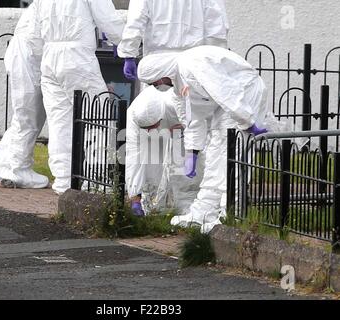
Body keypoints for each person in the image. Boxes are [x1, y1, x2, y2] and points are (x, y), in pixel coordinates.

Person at [138, 45, 279, 233]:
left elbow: (224, 90)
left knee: (233, 154)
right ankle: (203, 210)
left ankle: (230, 212)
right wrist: (192, 152)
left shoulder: (192, 64)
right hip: (228, 103)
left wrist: (246, 121)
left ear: (160, 73)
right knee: (215, 153)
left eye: (155, 82)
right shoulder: (179, 85)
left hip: (244, 92)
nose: (156, 86)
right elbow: (191, 120)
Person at [118, 0, 229, 213]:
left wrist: (128, 53)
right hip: (195, 64)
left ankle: (153, 199)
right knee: (192, 132)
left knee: (151, 138)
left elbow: (136, 20)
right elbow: (217, 27)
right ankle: (189, 198)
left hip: (159, 65)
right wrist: (215, 61)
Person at [35, 0, 125, 194]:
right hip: (77, 56)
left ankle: (64, 179)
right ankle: (98, 179)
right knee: (98, 116)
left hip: (50, 56)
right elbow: (109, 20)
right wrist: (128, 44)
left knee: (60, 121)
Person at [0, 1, 49, 189]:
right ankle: (19, 170)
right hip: (27, 57)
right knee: (29, 116)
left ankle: (1, 163)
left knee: (24, 117)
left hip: (26, 54)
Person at [126, 86, 204, 216]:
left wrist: (186, 129)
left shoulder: (175, 104)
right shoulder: (133, 117)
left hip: (183, 130)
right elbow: (134, 159)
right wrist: (135, 198)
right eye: (147, 128)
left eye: (152, 126)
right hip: (161, 132)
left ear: (160, 117)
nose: (150, 130)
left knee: (184, 173)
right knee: (152, 170)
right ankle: (153, 208)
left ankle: (189, 208)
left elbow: (198, 124)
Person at [118, 0, 229, 81]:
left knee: (158, 106)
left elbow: (136, 20)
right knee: (190, 107)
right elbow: (216, 25)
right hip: (193, 63)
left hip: (158, 64)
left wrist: (129, 55)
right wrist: (215, 57)